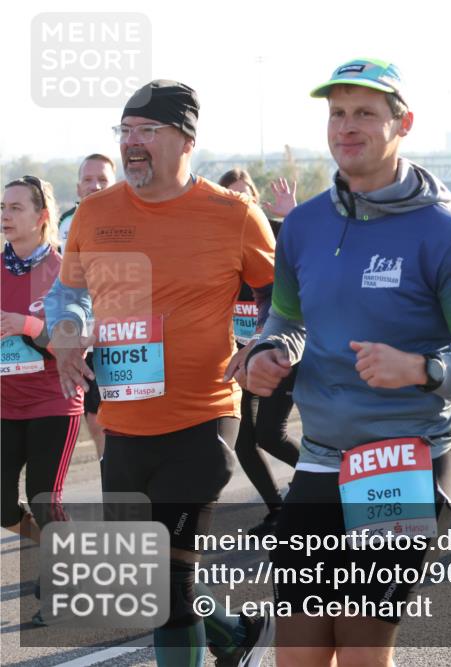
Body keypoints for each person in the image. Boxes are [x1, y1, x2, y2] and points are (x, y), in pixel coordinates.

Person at [245, 58, 451, 666]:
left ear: (402, 124)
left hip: (403, 459)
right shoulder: (304, 225)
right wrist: (270, 353)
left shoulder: (441, 233)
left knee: (361, 652)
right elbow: (287, 321)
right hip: (320, 457)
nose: (346, 126)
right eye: (337, 113)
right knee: (300, 653)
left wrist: (421, 369)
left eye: (365, 112)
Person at [45, 80, 276, 667]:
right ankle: (232, 631)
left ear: (186, 140)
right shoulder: (95, 215)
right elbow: (67, 293)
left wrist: (264, 348)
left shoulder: (234, 215)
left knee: (164, 594)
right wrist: (68, 330)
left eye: (148, 131)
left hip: (201, 419)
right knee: (151, 588)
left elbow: (285, 300)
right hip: (122, 425)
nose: (132, 144)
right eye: (124, 132)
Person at [1, 176, 82, 626]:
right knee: (1, 504)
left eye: (15, 208)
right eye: (2, 208)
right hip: (5, 402)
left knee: (45, 499)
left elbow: (75, 343)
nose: (5, 216)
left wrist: (26, 326)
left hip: (54, 398)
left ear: (42, 217)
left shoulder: (63, 272)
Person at [218, 168, 299, 536]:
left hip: (281, 349)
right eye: (233, 196)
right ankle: (279, 510)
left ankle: (336, 480)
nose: (242, 202)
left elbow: (311, 258)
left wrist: (291, 215)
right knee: (245, 442)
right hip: (240, 356)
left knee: (270, 433)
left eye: (247, 194)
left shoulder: (275, 234)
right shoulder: (215, 245)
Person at [56, 153, 118, 462]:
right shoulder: (66, 223)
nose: (95, 186)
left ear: (115, 183)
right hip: (85, 336)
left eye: (103, 179)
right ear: (78, 187)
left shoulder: (132, 215)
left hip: (124, 334)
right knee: (97, 424)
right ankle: (115, 492)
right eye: (88, 180)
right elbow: (63, 283)